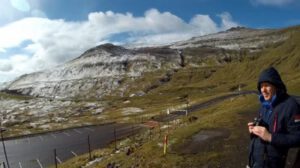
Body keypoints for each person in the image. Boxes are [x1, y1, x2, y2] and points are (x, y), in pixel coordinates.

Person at [248, 67, 300, 168]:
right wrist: (255, 130)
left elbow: (298, 137)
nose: (263, 90)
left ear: (276, 85)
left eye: (267, 85)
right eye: (261, 86)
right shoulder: (265, 104)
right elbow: (267, 128)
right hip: (256, 161)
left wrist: (270, 137)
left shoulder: (290, 105)